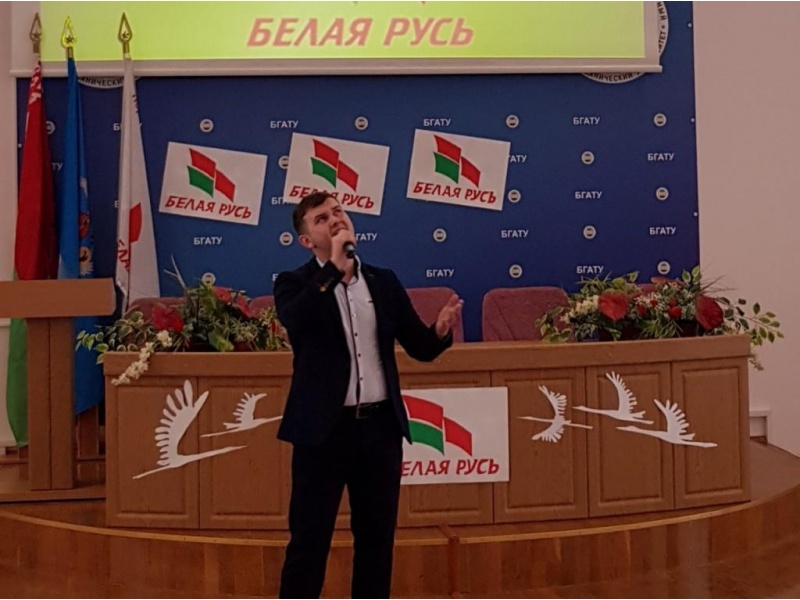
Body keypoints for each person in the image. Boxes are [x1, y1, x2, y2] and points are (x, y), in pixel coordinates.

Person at [274, 191, 463, 599]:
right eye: (321, 219)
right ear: (306, 240)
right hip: (322, 434)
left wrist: (439, 331)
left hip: (379, 431)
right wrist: (333, 270)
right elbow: (295, 321)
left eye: (338, 211)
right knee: (309, 544)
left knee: (376, 543)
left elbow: (418, 347)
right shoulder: (294, 283)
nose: (335, 219)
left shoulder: (382, 281)